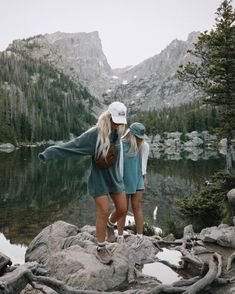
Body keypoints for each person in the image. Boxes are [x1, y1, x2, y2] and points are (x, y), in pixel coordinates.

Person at [38, 101, 128, 264]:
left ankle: (110, 224)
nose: (118, 124)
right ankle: (101, 248)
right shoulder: (95, 134)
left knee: (122, 208)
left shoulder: (118, 133)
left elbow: (120, 157)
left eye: (121, 122)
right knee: (103, 211)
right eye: (115, 121)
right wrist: (49, 152)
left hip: (115, 178)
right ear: (108, 116)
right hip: (99, 179)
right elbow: (73, 146)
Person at [117, 122, 149, 250]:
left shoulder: (144, 145)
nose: (140, 139)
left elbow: (144, 162)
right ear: (131, 134)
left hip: (137, 179)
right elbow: (118, 165)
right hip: (123, 180)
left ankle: (140, 237)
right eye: (138, 137)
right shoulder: (120, 144)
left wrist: (144, 175)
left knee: (136, 206)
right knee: (122, 209)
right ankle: (119, 237)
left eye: (141, 137)